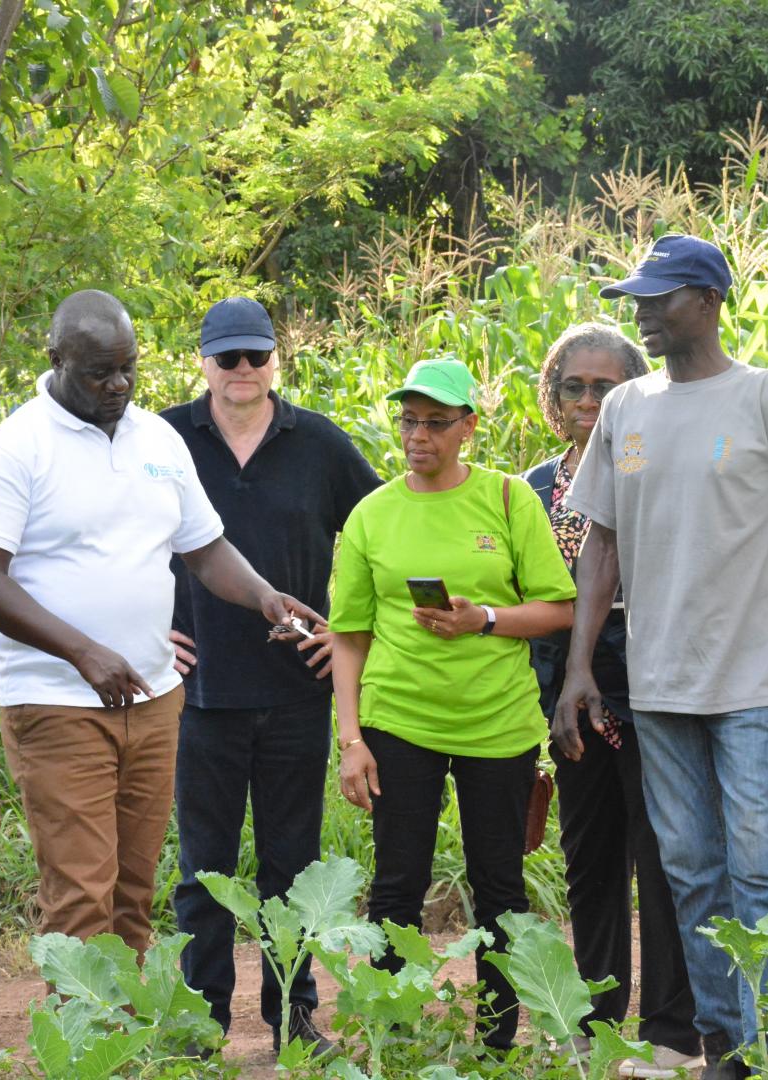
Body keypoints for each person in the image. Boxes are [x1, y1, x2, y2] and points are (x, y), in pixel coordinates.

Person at [555, 235, 768, 1080]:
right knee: (689, 870)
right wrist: (580, 668)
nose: (643, 314)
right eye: (638, 299)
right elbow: (599, 546)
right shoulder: (628, 409)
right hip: (656, 685)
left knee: (759, 873)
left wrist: (766, 606)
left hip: (752, 685)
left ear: (711, 301)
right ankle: (729, 1047)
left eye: (660, 299)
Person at [0, 289, 320, 965]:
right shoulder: (17, 448)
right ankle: (86, 1049)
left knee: (132, 889)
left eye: (129, 369)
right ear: (56, 358)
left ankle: (128, 1043)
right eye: (99, 372)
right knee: (82, 894)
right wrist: (83, 651)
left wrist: (266, 597)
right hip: (59, 703)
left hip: (152, 700)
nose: (117, 385)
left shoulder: (157, 438)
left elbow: (204, 548)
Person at [332, 357, 576, 1051]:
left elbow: (558, 607)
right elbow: (348, 637)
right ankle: (397, 1037)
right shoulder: (371, 516)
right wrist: (352, 739)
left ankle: (496, 1043)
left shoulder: (507, 501)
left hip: (496, 724)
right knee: (396, 884)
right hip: (399, 719)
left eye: (437, 422)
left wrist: (485, 620)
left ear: (468, 427)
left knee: (499, 887)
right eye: (409, 420)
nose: (419, 436)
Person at [162, 298, 381, 1054]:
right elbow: (110, 540)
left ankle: (294, 1018)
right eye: (229, 359)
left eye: (257, 356)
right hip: (199, 692)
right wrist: (145, 630)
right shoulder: (161, 437)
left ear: (275, 360)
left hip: (295, 691)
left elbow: (383, 531)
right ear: (203, 361)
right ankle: (203, 1023)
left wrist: (354, 636)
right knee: (204, 872)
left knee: (292, 867)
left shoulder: (316, 442)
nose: (244, 371)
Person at [525, 325, 699, 1077]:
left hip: (655, 686)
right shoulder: (533, 489)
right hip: (568, 690)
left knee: (663, 858)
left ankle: (671, 1033)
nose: (591, 399)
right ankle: (597, 1026)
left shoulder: (658, 467)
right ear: (554, 396)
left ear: (635, 390)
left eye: (607, 386)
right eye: (576, 385)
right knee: (589, 857)